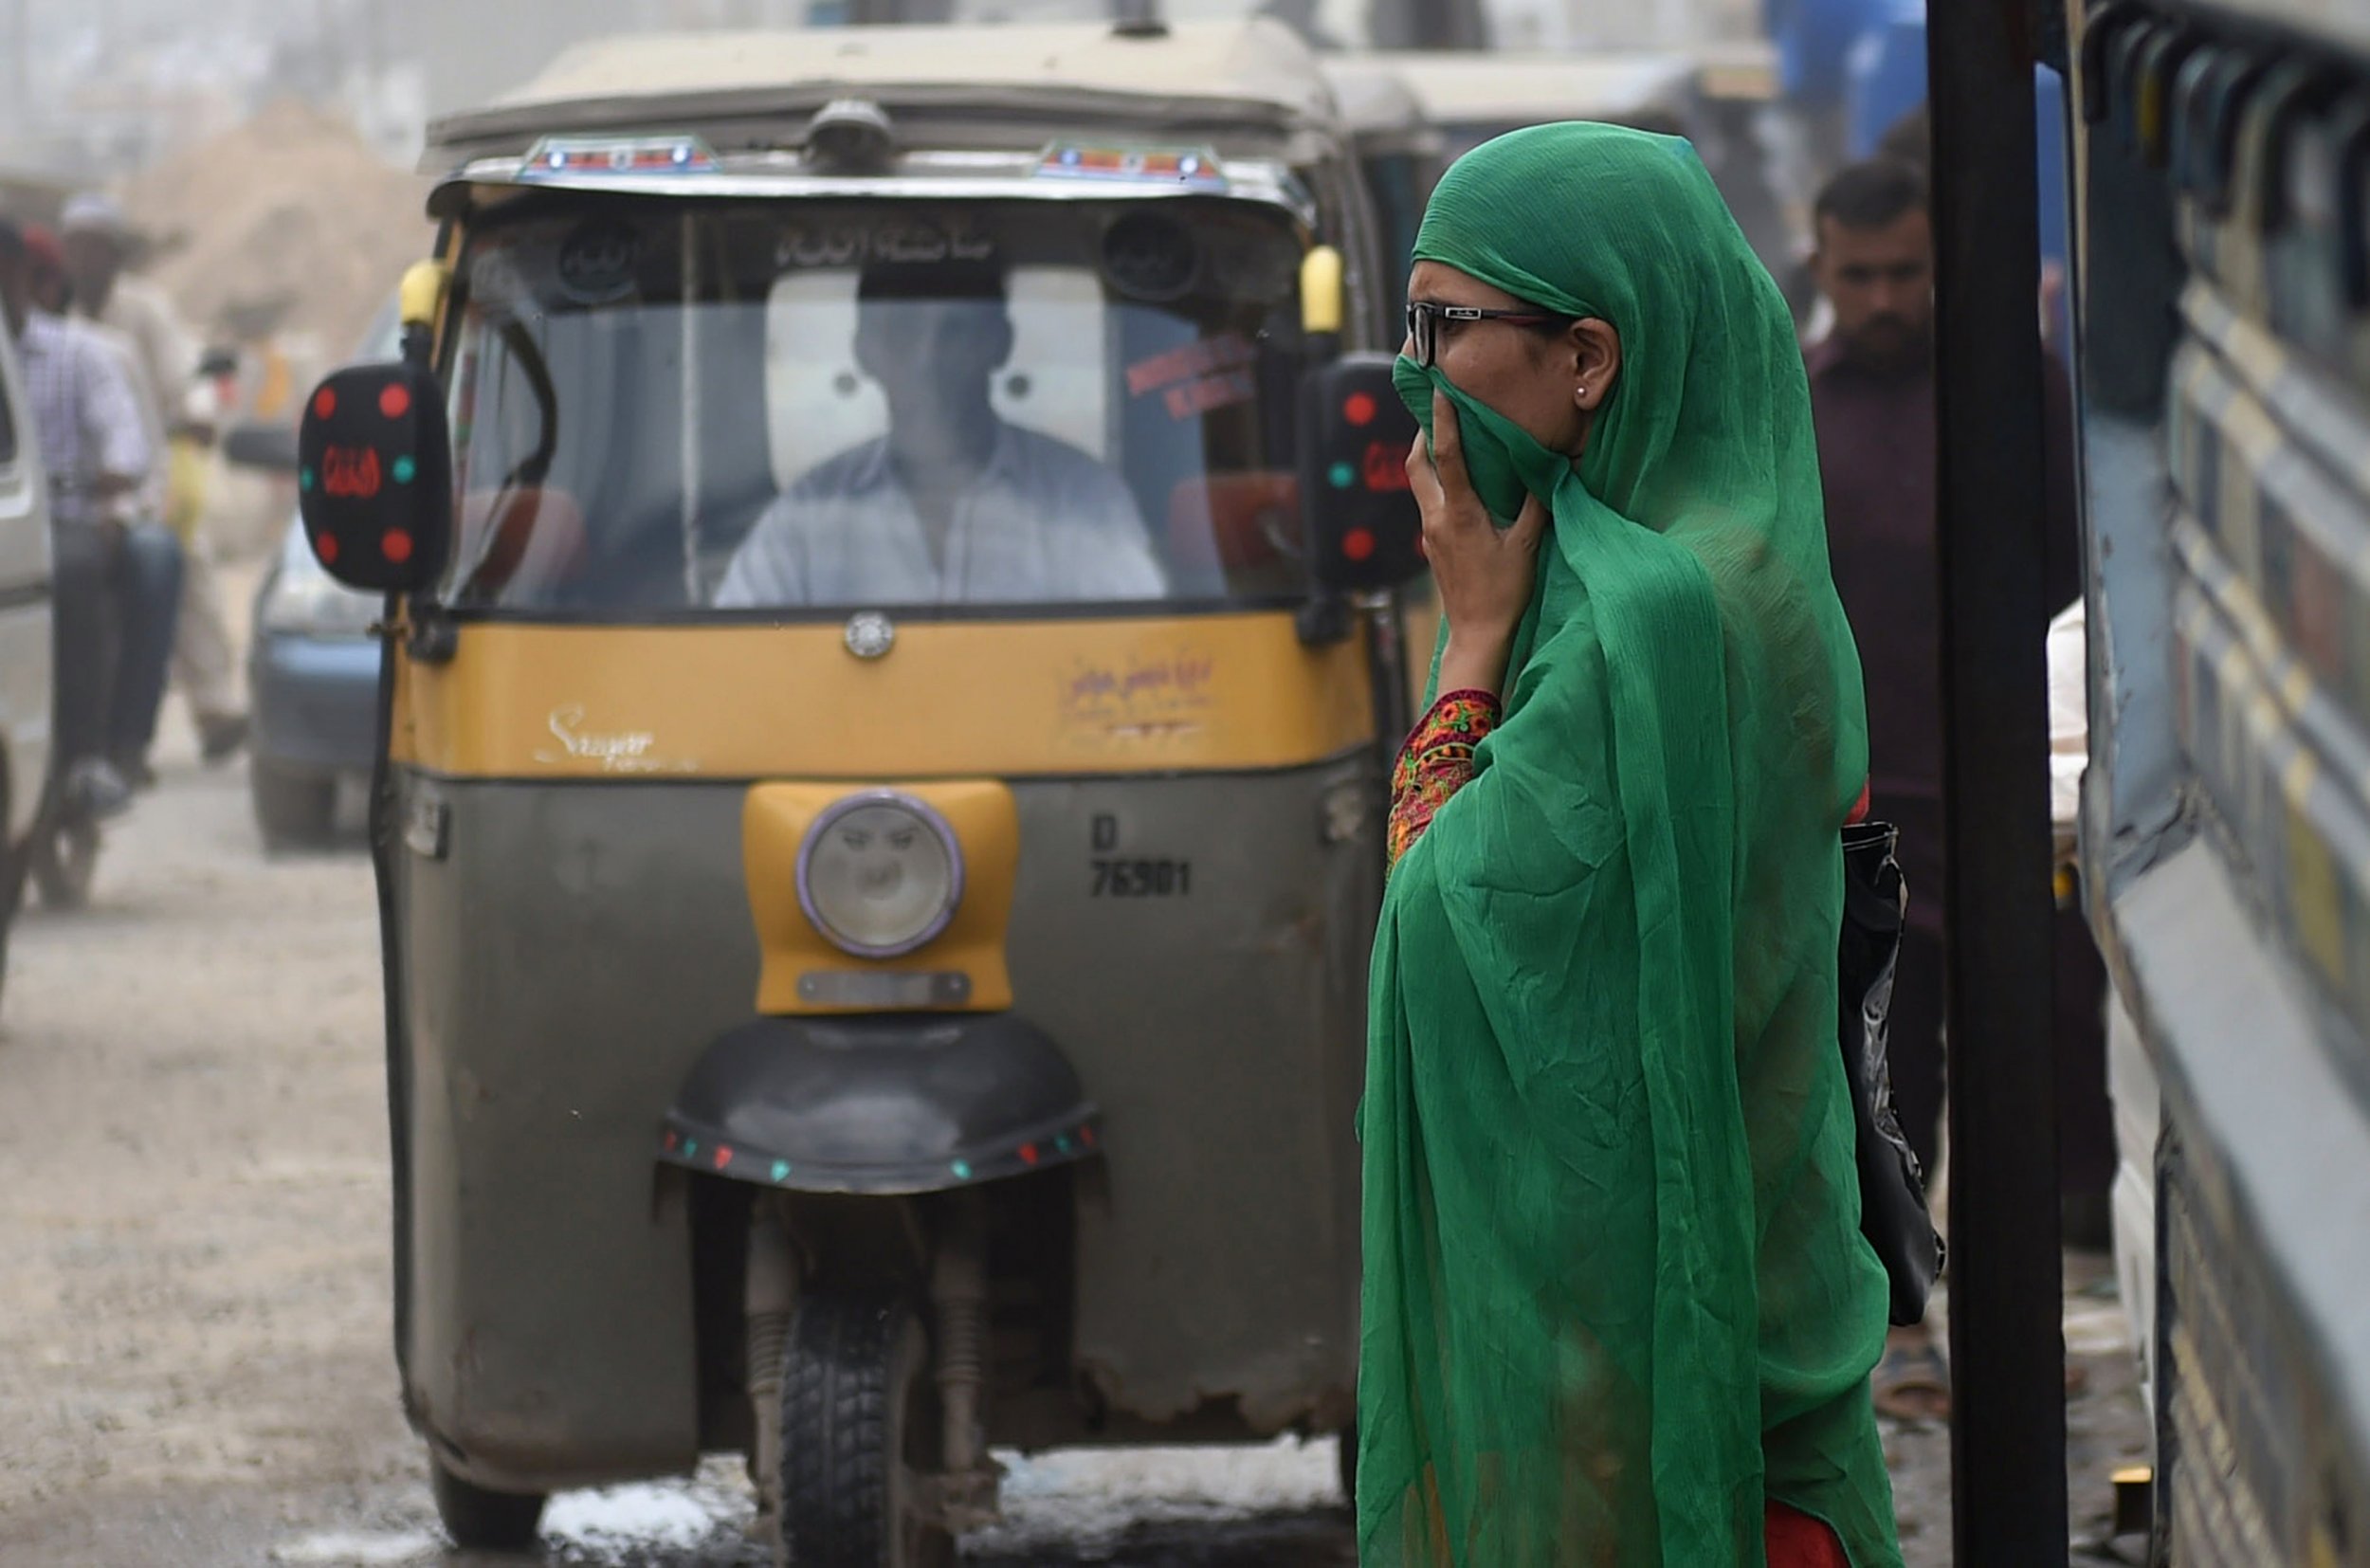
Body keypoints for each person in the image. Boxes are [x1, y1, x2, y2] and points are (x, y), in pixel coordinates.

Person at [1360, 123, 1900, 1566]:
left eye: (1443, 326)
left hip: (1654, 1401)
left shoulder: (1642, 620)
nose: (1412, 375)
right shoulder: (1751, 556)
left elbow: (1430, 920)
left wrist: (1470, 641)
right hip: (1772, 1310)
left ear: (1588, 358)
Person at [1802, 156, 2097, 1418]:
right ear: (1819, 267)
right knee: (1880, 1085)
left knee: (2036, 1072)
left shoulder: (2014, 392)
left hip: (2005, 807)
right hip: (1854, 817)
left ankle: (2023, 1322)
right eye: (1857, 273)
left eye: (1903, 271)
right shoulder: (1792, 412)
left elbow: (2082, 579)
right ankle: (1900, 1329)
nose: (1881, 296)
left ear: (1939, 265)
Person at [717, 259, 1164, 608]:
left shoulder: (1082, 498)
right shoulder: (805, 518)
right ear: (864, 351)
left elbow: (1137, 651)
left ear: (1001, 343)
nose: (928, 359)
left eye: (956, 331)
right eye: (904, 330)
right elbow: (736, 662)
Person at [61, 193, 248, 770]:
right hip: (75, 495)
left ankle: (212, 710)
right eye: (76, 247)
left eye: (96, 248)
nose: (85, 260)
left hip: (145, 483)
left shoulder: (144, 311)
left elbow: (183, 378)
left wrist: (196, 415)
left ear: (116, 256)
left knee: (184, 567)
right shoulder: (51, 317)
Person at [0, 218, 158, 820]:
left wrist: (111, 477)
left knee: (71, 570)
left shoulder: (79, 353)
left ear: (25, 278)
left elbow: (126, 443)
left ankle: (89, 754)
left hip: (61, 521)